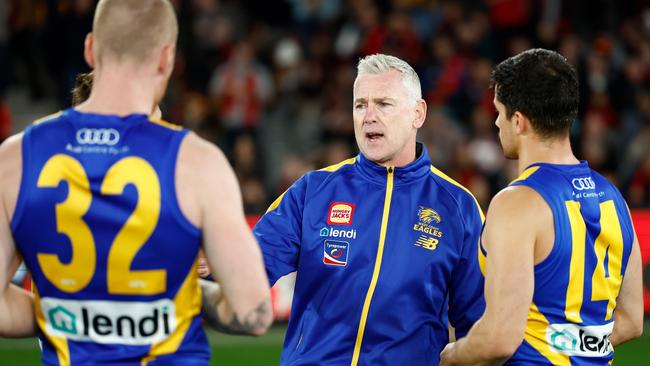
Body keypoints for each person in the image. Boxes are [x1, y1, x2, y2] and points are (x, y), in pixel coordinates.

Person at [0, 1, 272, 365]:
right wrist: (185, 295)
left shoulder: (15, 158)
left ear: (90, 48)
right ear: (166, 58)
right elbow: (251, 311)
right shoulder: (197, 162)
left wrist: (72, 312)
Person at [253, 53, 486, 365]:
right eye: (360, 104)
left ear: (418, 114)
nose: (369, 116)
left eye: (383, 104)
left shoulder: (459, 208)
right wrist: (205, 256)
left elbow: (479, 325)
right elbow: (249, 265)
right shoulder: (313, 190)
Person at [440, 48, 643, 365]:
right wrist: (566, 341)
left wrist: (449, 356)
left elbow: (499, 338)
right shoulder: (614, 197)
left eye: (499, 110)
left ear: (518, 121)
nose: (496, 121)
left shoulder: (516, 203)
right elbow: (631, 321)